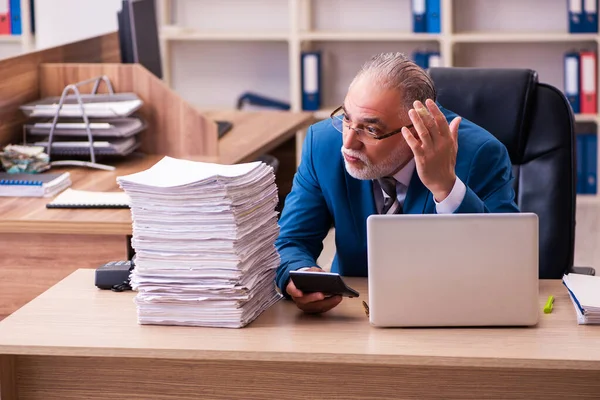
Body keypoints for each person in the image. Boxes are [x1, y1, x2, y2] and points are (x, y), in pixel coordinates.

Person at [275, 52, 519, 314]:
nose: (348, 143)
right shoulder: (322, 144)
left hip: (449, 312)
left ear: (416, 129)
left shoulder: (480, 154)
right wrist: (300, 276)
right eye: (346, 118)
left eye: (370, 130)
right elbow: (290, 241)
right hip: (354, 315)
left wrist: (446, 187)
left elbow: (506, 263)